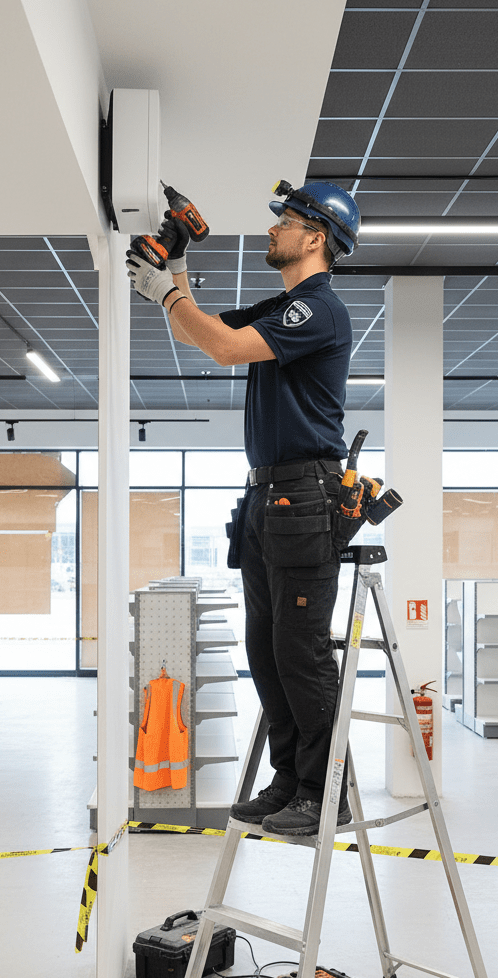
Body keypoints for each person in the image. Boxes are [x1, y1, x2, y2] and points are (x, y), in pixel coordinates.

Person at [126, 179, 361, 836]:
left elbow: (224, 348)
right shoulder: (284, 308)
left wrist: (167, 291)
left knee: (302, 652)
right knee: (266, 648)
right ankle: (289, 780)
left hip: (305, 496)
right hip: (267, 496)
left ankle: (326, 791)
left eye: (283, 222)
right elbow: (205, 331)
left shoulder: (318, 310)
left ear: (315, 237)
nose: (272, 231)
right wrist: (173, 263)